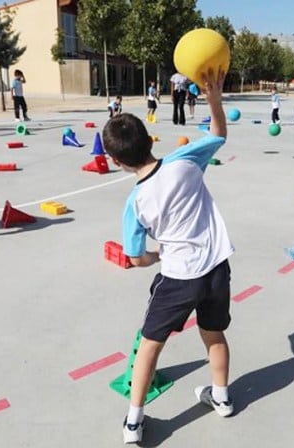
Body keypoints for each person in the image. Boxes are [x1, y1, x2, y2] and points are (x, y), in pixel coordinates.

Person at [102, 69, 234, 444]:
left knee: (149, 345)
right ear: (148, 138)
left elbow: (136, 258)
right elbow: (219, 134)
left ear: (115, 160)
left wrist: (158, 255)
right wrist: (213, 100)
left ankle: (133, 422)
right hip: (216, 268)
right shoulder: (184, 160)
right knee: (214, 333)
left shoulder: (135, 203)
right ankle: (221, 397)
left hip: (178, 277)